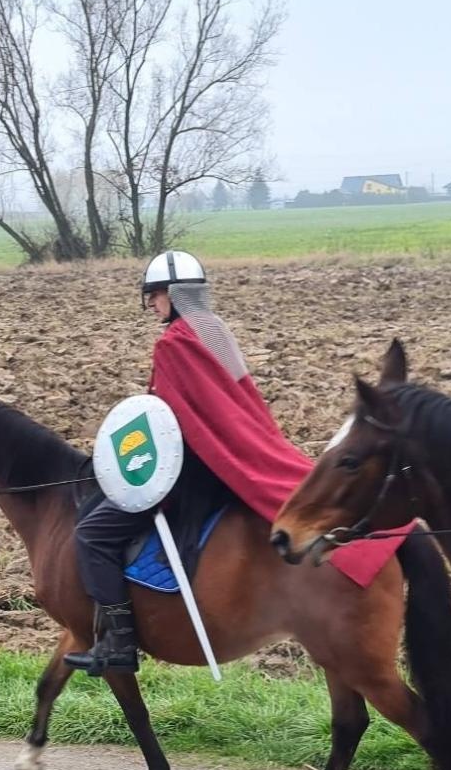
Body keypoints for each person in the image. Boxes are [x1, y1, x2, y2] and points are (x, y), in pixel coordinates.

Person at [65, 251, 402, 676]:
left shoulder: (174, 342)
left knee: (93, 532)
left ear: (174, 294)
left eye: (154, 294)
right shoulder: (214, 331)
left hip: (193, 474)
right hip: (223, 464)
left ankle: (118, 641)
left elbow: (172, 420)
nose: (151, 303)